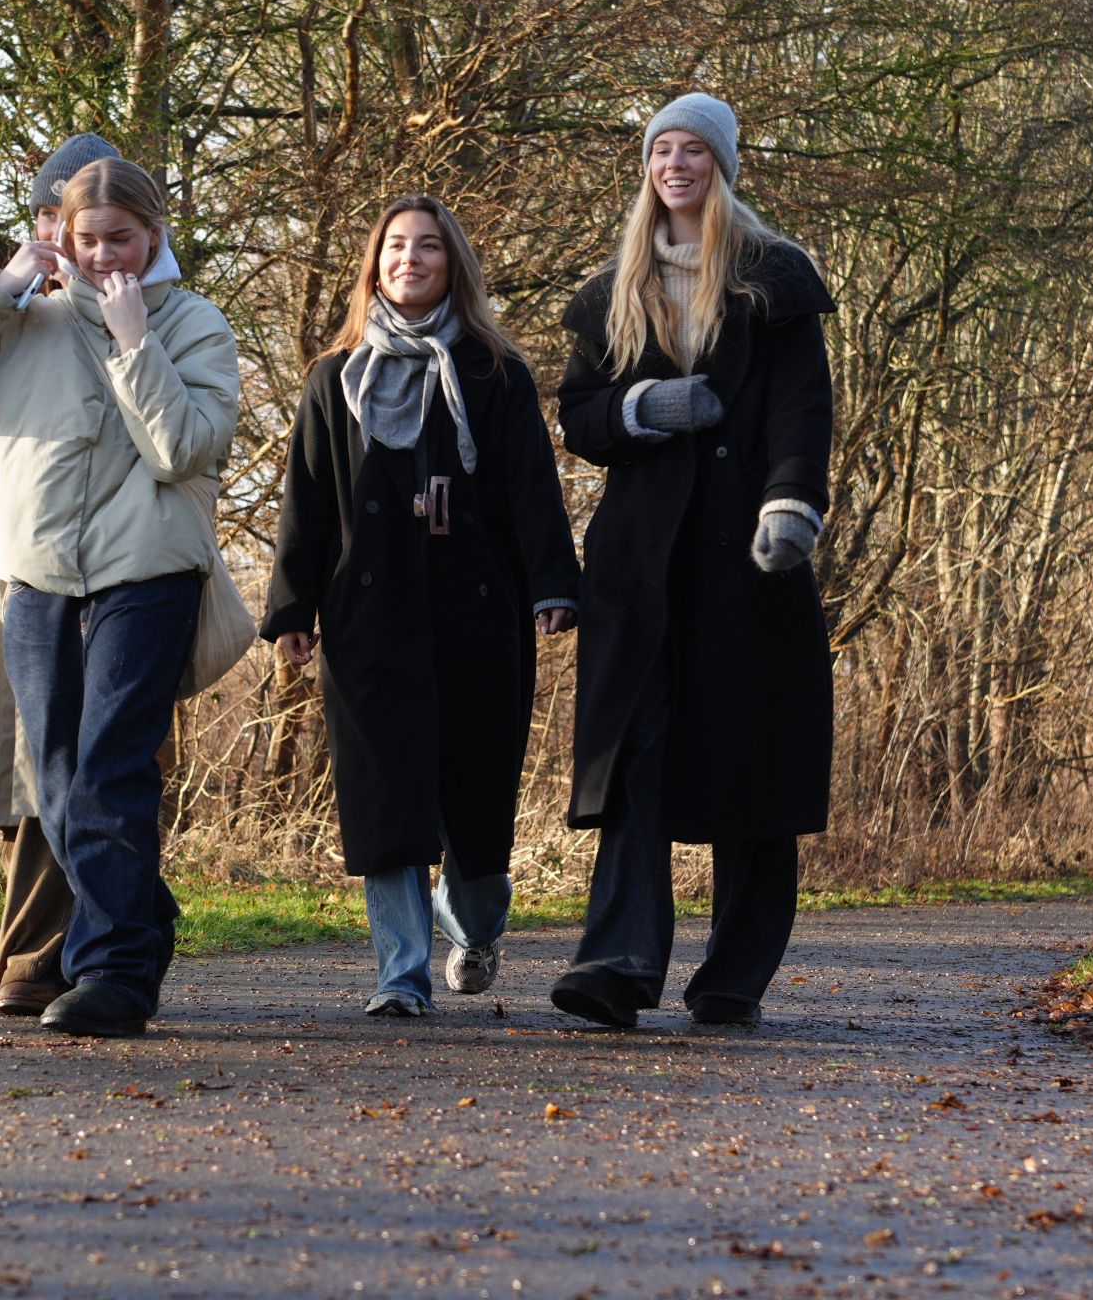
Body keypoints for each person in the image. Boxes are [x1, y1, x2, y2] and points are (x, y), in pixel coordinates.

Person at [0, 157, 239, 1037]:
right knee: (54, 778)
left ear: (154, 235)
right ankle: (141, 911)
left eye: (121, 239)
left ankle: (115, 970)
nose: (102, 256)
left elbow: (184, 449)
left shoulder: (194, 324)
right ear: (59, 235)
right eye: (86, 239)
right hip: (38, 576)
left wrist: (136, 345)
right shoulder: (24, 321)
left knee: (109, 766)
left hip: (148, 575)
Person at [549, 93, 837, 1029]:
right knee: (636, 751)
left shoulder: (773, 279)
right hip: (638, 566)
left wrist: (792, 503)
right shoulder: (613, 290)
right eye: (662, 150)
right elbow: (579, 416)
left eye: (694, 150)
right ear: (648, 167)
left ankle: (732, 976)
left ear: (723, 165)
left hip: (749, 562)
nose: (676, 164)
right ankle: (619, 962)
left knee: (752, 760)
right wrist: (641, 410)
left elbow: (803, 406)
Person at [261, 195, 580, 1016]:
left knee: (475, 802)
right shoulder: (334, 379)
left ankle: (474, 927)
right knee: (387, 798)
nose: (410, 259)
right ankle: (400, 976)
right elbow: (307, 501)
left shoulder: (495, 373)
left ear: (453, 264)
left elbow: (533, 489)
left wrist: (552, 582)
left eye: (428, 246)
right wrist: (293, 607)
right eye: (396, 246)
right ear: (375, 266)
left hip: (478, 615)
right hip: (370, 621)